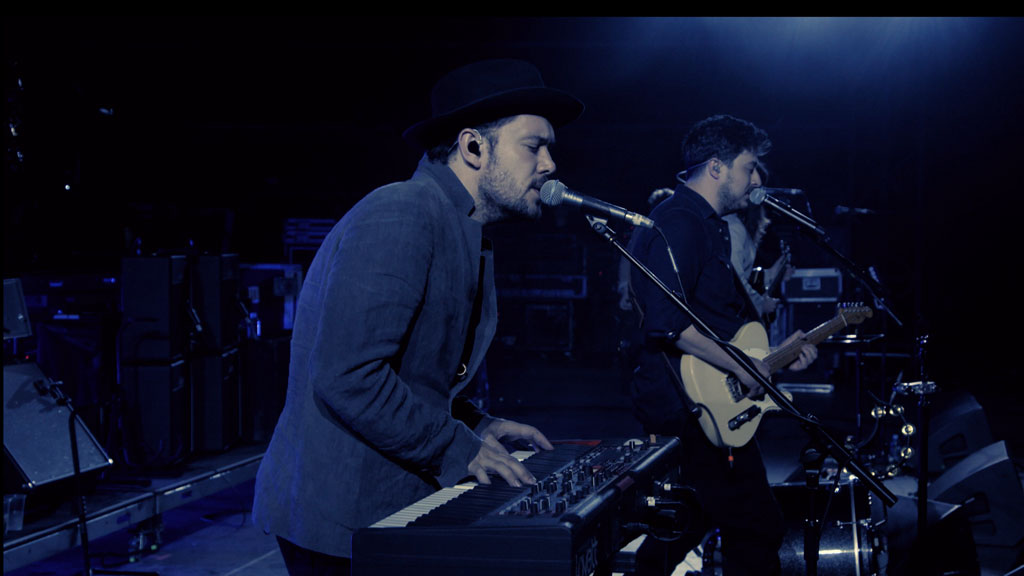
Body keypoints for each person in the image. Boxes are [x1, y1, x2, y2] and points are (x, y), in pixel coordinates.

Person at [251, 59, 584, 575]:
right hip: (342, 520)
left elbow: (415, 376)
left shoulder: (457, 227)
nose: (549, 165)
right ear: (473, 147)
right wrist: (459, 447)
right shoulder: (403, 212)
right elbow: (349, 376)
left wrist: (478, 425)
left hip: (381, 510)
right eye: (533, 146)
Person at [627, 115, 817, 575]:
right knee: (755, 526)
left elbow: (718, 323)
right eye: (748, 168)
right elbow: (668, 324)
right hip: (687, 406)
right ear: (716, 167)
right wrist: (741, 367)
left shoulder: (707, 225)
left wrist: (772, 358)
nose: (757, 181)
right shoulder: (679, 222)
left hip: (706, 401)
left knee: (691, 521)